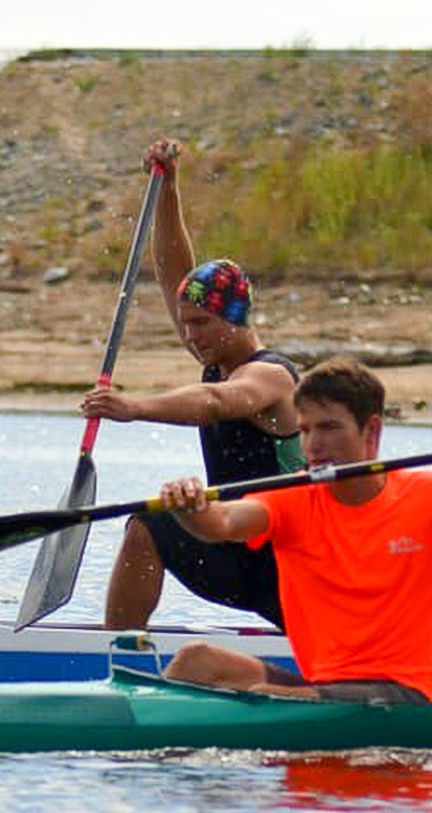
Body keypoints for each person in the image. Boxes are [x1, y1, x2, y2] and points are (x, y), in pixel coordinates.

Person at [156, 358, 432, 704]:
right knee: (196, 660)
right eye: (305, 430)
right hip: (323, 689)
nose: (312, 444)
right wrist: (190, 506)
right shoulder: (291, 497)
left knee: (275, 696)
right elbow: (220, 524)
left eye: (329, 428)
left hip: (408, 694)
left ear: (371, 431)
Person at [79, 138, 302, 630]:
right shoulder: (216, 351)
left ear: (235, 318)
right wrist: (169, 190)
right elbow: (173, 272)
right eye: (185, 323)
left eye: (200, 324)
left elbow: (218, 402)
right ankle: (122, 648)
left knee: (151, 522)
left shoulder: (271, 375)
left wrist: (135, 407)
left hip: (295, 566)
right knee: (150, 528)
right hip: (241, 549)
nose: (189, 335)